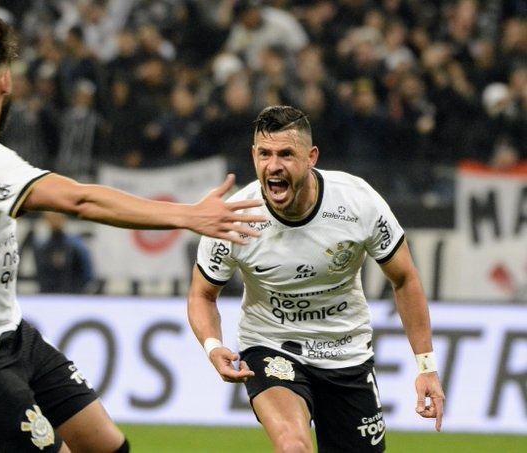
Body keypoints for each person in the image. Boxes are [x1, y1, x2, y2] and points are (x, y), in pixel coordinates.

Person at [0, 13, 266, 453]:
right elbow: (80, 200)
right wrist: (187, 214)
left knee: (108, 447)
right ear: (5, 81)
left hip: (9, 336)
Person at [187, 105, 445, 452]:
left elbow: (404, 279)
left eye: (286, 154)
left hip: (347, 354)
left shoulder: (357, 202)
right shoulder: (234, 217)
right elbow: (202, 295)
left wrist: (426, 366)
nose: (273, 166)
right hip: (272, 346)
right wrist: (213, 345)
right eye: (264, 154)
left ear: (311, 157)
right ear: (253, 155)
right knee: (294, 445)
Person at [34, 211, 95, 294]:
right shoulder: (43, 247)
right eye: (51, 218)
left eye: (56, 218)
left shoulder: (75, 246)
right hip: (48, 297)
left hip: (73, 296)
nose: (54, 221)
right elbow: (41, 274)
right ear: (46, 220)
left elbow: (87, 273)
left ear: (64, 219)